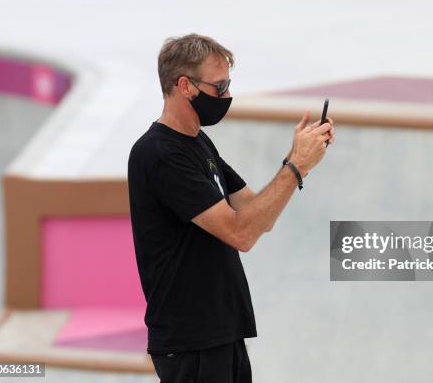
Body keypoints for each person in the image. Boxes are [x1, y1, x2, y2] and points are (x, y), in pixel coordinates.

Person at [127, 33, 335, 383]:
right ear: (185, 86)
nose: (226, 96)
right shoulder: (161, 154)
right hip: (191, 343)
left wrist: (299, 160)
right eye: (219, 87)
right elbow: (240, 232)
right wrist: (294, 167)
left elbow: (257, 214)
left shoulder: (197, 143)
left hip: (222, 335)